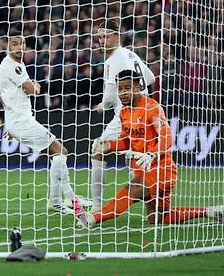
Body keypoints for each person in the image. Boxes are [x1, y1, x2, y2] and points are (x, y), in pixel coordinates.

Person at [74, 70, 223, 227]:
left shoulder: (152, 108)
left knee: (130, 191)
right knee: (159, 219)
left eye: (127, 88)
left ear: (138, 87)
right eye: (120, 89)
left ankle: (92, 219)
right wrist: (109, 145)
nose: (123, 93)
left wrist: (152, 154)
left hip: (160, 170)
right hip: (143, 170)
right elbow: (126, 141)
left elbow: (167, 137)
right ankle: (211, 211)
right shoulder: (124, 112)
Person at [0, 29, 89, 215]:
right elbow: (33, 90)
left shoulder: (18, 64)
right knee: (60, 151)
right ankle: (56, 201)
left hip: (19, 121)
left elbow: (11, 95)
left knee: (55, 155)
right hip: (21, 122)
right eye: (14, 43)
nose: (19, 47)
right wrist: (35, 87)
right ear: (7, 45)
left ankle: (70, 198)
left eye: (21, 43)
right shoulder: (11, 65)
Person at [91, 19, 155, 212]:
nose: (102, 41)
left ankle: (95, 207)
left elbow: (110, 97)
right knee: (133, 160)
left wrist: (102, 106)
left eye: (106, 36)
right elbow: (150, 77)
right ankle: (154, 206)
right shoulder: (131, 53)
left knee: (99, 153)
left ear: (117, 36)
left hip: (127, 114)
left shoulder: (114, 60)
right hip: (145, 110)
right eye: (99, 37)